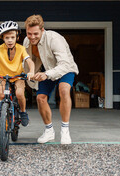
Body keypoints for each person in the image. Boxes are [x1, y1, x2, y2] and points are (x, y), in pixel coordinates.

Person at [23, 14, 79, 144]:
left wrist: (47, 74)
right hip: (46, 69)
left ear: (42, 30)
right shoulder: (27, 41)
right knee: (40, 98)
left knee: (63, 89)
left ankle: (65, 130)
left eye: (35, 34)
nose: (32, 37)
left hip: (65, 68)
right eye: (29, 33)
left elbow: (64, 64)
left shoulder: (55, 39)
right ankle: (49, 131)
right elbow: (27, 61)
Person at [0, 21, 35, 131]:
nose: (10, 40)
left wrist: (31, 71)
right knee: (0, 94)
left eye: (12, 37)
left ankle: (23, 112)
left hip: (18, 77)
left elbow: (30, 62)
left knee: (19, 93)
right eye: (7, 37)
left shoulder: (21, 49)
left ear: (17, 37)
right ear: (2, 38)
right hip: (3, 77)